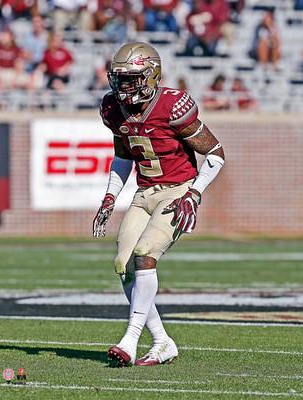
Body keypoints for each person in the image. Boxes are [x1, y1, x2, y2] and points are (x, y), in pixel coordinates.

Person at [93, 42, 225, 367]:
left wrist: (194, 193)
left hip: (177, 191)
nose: (123, 88)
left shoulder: (172, 106)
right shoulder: (114, 109)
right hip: (144, 192)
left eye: (132, 79)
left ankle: (130, 340)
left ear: (151, 76)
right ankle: (163, 342)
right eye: (120, 80)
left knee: (145, 256)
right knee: (123, 265)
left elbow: (216, 154)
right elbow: (123, 156)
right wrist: (110, 197)